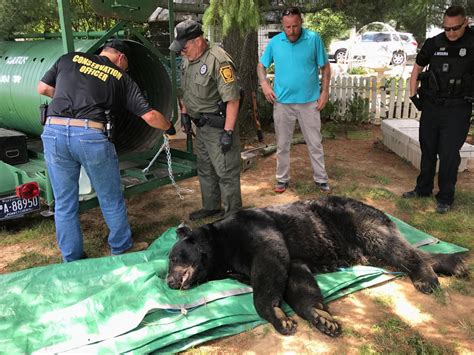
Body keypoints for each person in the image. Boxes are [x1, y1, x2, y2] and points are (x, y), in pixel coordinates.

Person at [37, 39, 176, 262]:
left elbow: (42, 88)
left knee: (64, 202)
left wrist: (69, 102)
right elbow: (149, 115)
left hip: (54, 132)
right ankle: (121, 247)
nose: (126, 69)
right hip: (90, 135)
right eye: (127, 64)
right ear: (121, 57)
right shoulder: (120, 76)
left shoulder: (70, 58)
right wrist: (169, 127)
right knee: (110, 198)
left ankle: (72, 258)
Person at [169, 19, 242, 221]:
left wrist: (228, 132)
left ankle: (233, 217)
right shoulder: (188, 59)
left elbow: (233, 100)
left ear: (198, 40)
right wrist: (184, 113)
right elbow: (187, 91)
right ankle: (211, 207)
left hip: (219, 127)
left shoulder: (219, 61)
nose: (182, 52)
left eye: (184, 48)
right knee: (206, 168)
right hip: (200, 126)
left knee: (226, 172)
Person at [405, 5, 473, 214]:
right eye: (447, 28)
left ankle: (445, 197)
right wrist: (412, 93)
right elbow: (417, 66)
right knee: (428, 149)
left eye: (455, 28)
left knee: (449, 154)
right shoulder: (434, 42)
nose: (451, 33)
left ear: (466, 23)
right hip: (432, 106)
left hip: (458, 107)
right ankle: (423, 188)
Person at [257, 6, 331, 194]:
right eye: (287, 27)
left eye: (295, 26)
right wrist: (264, 85)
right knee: (282, 144)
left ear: (301, 22)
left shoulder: (313, 39)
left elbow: (325, 67)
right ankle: (282, 179)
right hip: (283, 103)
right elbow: (261, 66)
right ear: (283, 25)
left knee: (314, 142)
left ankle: (321, 179)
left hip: (310, 102)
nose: (291, 31)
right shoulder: (275, 42)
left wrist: (324, 93)